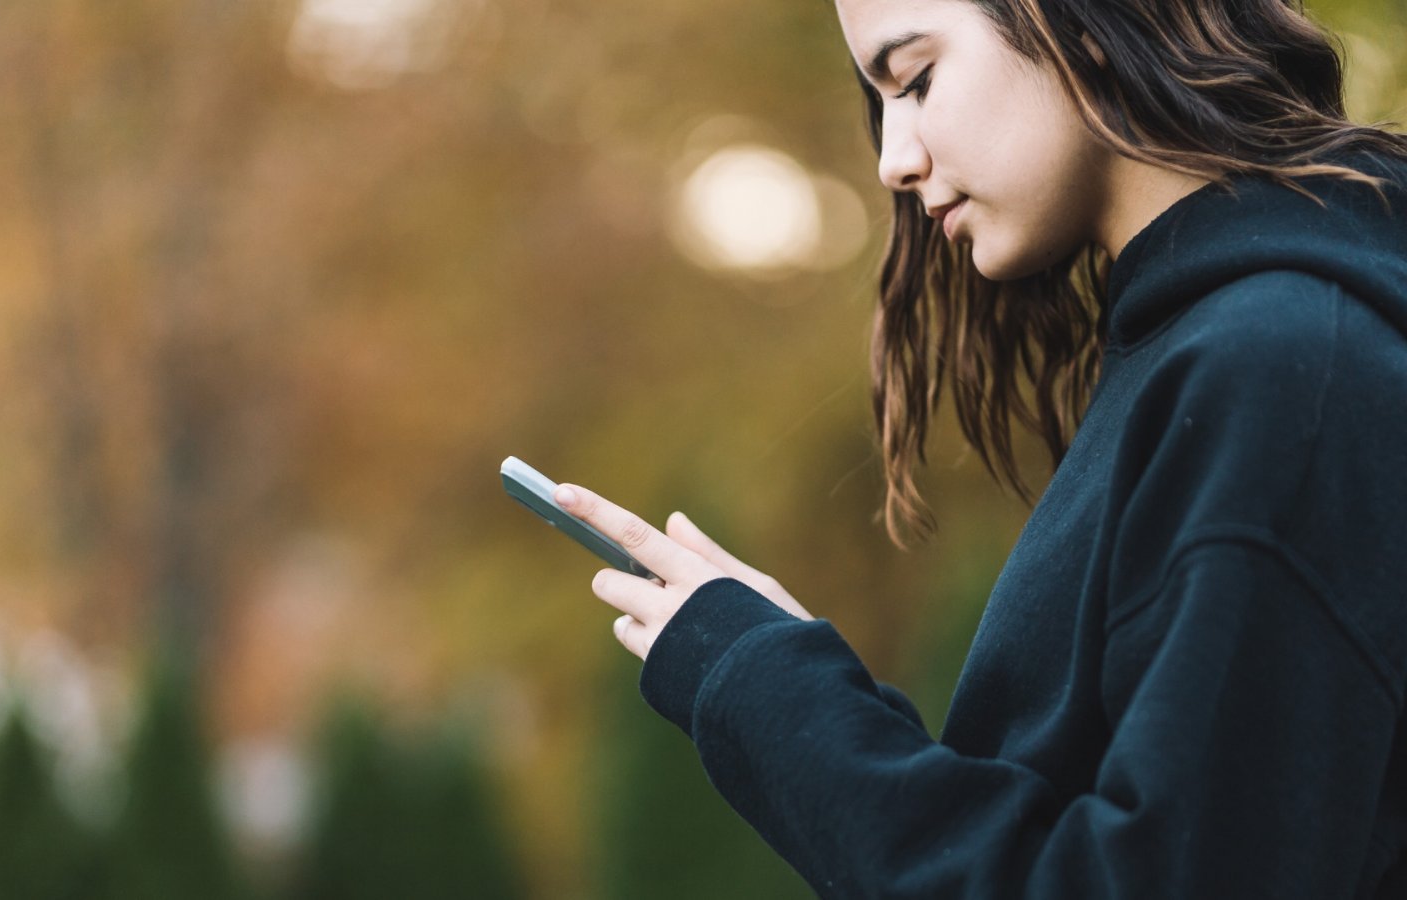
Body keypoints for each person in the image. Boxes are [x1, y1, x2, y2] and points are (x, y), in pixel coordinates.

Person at [550, 0, 1407, 896]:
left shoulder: (1287, 368)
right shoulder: (1216, 358)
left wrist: (772, 698)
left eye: (917, 80)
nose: (893, 158)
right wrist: (779, 672)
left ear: (1081, 23)